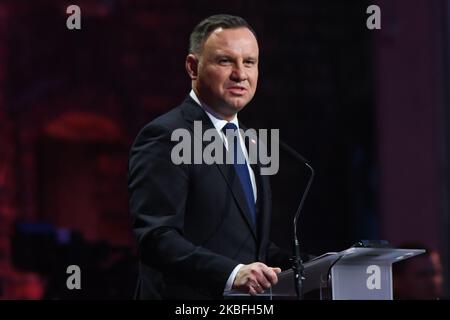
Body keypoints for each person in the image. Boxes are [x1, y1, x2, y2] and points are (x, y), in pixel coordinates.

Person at [128, 14, 292, 299]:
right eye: (225, 61)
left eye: (249, 62)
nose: (240, 74)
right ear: (193, 67)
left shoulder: (251, 141)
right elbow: (157, 238)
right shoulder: (166, 135)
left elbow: (247, 244)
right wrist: (232, 274)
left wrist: (306, 265)